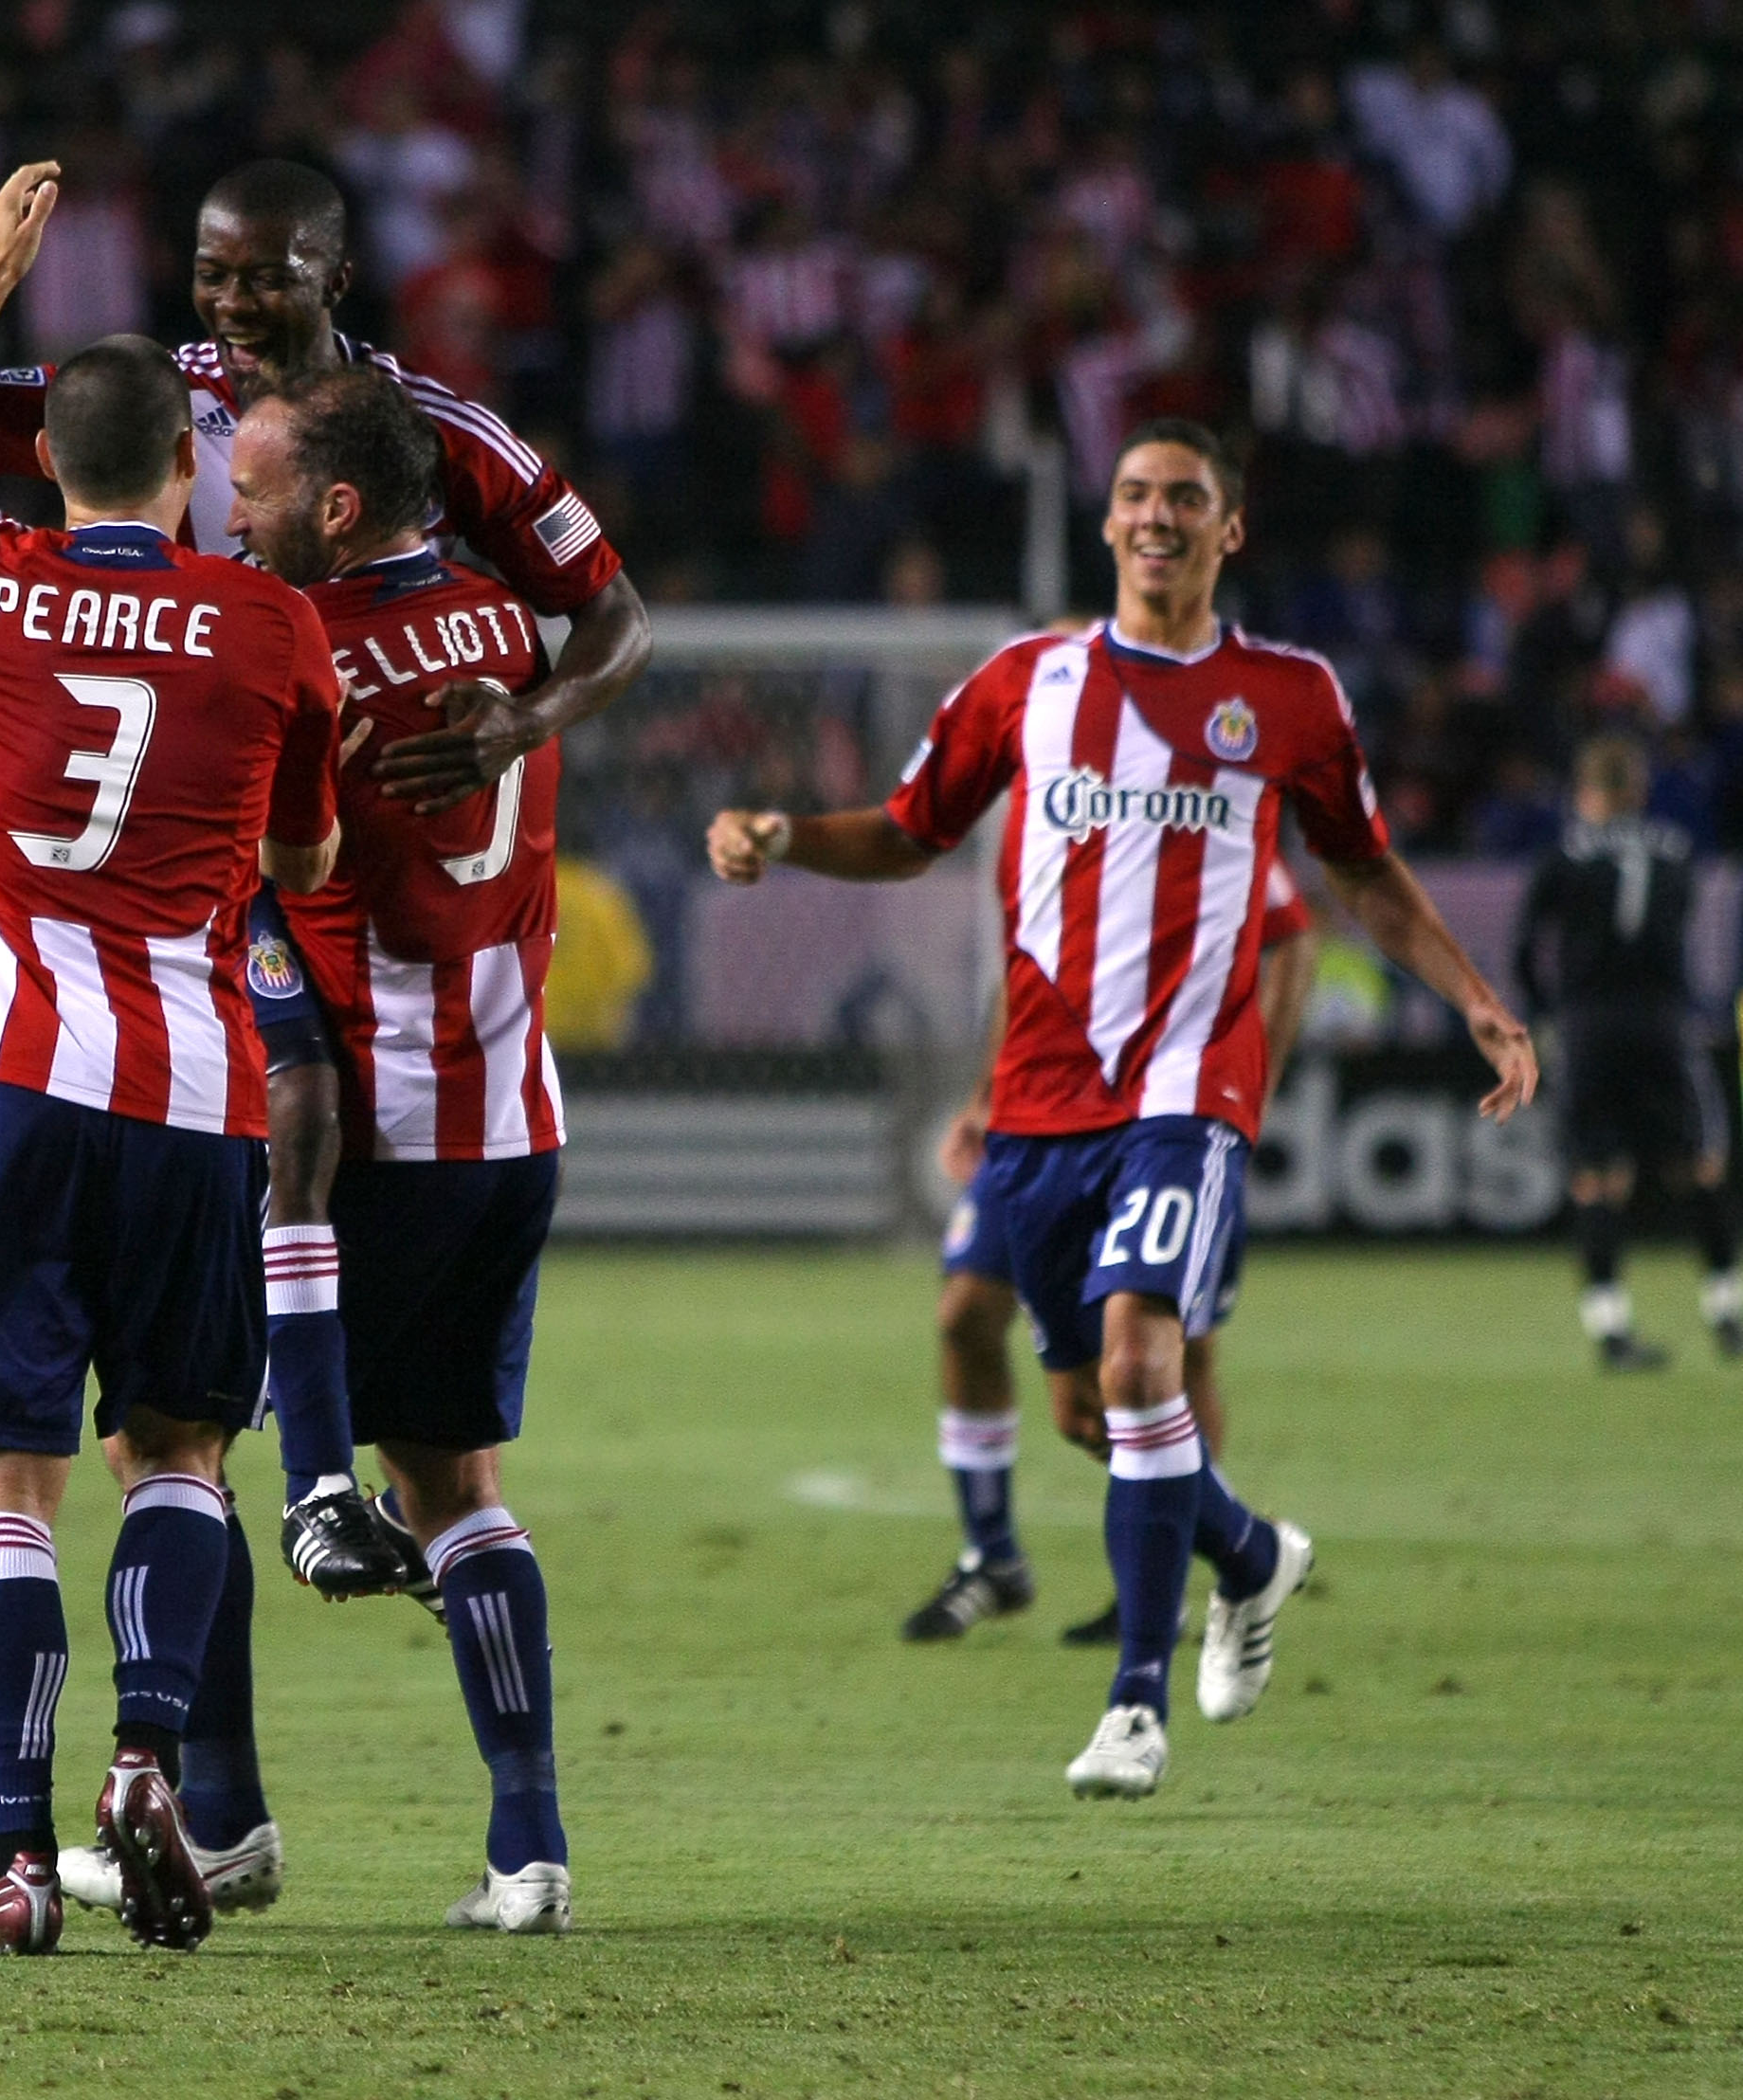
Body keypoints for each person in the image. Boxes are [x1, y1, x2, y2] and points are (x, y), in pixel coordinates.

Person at [0, 158, 650, 1593]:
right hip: (197, 857)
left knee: (281, 1315)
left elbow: (615, 614)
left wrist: (522, 719)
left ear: (336, 273)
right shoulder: (160, 390)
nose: (233, 301)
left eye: (264, 272)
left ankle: (310, 1507)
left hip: (339, 845)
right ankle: (308, 1503)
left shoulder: (435, 431)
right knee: (294, 1117)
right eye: (212, 272)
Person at [707, 419, 1536, 1801]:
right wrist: (787, 835)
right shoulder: (1024, 681)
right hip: (1037, 1105)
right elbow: (911, 832)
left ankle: (1134, 1703)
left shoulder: (1290, 696)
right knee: (1097, 1415)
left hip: (1186, 1091)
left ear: (1230, 531)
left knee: (1147, 1368)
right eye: (1138, 495)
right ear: (1108, 525)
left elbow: (1366, 875)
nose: (1158, 516)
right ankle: (1253, 1555)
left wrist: (1475, 998)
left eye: (1187, 499)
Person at [0, 163, 344, 1955]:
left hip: (4, 1072)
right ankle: (152, 1753)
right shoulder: (268, 627)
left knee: (6, 1486)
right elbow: (302, 864)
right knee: (182, 1460)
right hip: (195, 1089)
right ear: (186, 468)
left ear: (52, 465)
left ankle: (12, 1853)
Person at [71, 365, 573, 1933]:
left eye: (264, 487)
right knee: (462, 1482)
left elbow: (252, 860)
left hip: (351, 1126)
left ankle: (220, 1818)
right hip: (511, 1114)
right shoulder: (497, 624)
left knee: (169, 1445)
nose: (236, 504)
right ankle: (528, 1847)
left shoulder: (296, 643)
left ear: (338, 509)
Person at [913, 858, 1318, 1648]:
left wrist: (1247, 1087)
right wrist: (984, 1098)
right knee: (967, 1315)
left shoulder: (1202, 797)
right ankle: (993, 1556)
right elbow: (1025, 966)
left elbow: (1294, 943)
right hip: (1038, 1117)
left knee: (1174, 1356)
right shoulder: (1059, 803)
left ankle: (1172, 1580)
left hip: (1160, 1119)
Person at [1514, 736, 1741, 1370]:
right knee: (1700, 1163)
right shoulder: (1676, 851)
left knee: (1596, 1177)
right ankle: (1726, 1313)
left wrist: (1543, 1014)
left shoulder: (1562, 855)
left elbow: (1525, 946)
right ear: (1638, 793)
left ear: (1587, 794)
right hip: (1664, 1021)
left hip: (1587, 1027)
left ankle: (1611, 1329)